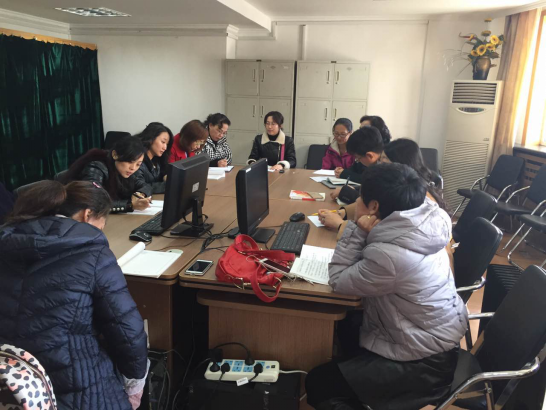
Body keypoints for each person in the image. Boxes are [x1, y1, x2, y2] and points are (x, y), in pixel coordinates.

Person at [306, 164, 467, 410]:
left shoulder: (390, 255)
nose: (356, 201)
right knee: (344, 327)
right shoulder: (420, 220)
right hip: (428, 338)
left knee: (319, 383)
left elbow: (339, 280)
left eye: (360, 197)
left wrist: (357, 231)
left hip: (426, 364)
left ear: (373, 207)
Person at [0, 180, 149, 410]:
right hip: (77, 387)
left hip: (11, 386)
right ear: (87, 214)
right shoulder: (92, 251)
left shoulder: (7, 240)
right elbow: (128, 331)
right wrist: (135, 384)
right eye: (102, 224)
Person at [320, 138, 446, 234]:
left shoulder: (413, 196)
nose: (379, 163)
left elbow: (383, 235)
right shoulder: (399, 184)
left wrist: (340, 225)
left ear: (399, 165)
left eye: (383, 160)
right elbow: (368, 201)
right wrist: (342, 213)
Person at [63, 136, 152, 213]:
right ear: (115, 155)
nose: (133, 168)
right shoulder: (96, 167)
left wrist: (139, 194)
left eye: (138, 164)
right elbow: (94, 201)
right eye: (130, 162)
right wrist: (130, 205)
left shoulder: (128, 171)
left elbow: (145, 186)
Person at [329, 126, 383, 201]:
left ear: (369, 156)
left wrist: (345, 192)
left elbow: (370, 201)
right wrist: (353, 189)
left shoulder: (386, 172)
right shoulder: (377, 162)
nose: (358, 161)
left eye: (358, 158)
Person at [339, 115, 391, 182]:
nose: (361, 132)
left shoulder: (389, 160)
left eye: (365, 128)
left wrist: (346, 174)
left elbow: (372, 181)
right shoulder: (363, 151)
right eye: (360, 129)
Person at [134, 122, 174, 194]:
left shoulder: (157, 158)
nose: (165, 148)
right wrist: (168, 185)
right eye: (163, 142)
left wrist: (166, 176)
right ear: (151, 138)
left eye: (167, 144)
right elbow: (140, 186)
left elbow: (164, 171)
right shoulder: (137, 159)